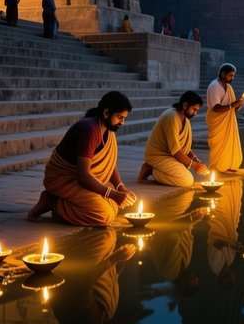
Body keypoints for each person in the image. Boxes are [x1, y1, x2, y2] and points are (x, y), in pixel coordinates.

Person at [27, 91, 137, 225]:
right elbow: (83, 175)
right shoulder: (89, 129)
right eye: (120, 117)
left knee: (113, 206)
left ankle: (64, 203)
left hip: (85, 179)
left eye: (124, 118)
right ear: (106, 113)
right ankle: (53, 202)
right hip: (65, 180)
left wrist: (120, 188)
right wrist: (113, 194)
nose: (123, 122)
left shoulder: (108, 130)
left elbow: (109, 163)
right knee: (104, 215)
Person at [137, 91, 210, 187]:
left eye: (197, 111)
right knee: (186, 180)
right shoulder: (171, 116)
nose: (195, 113)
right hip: (158, 156)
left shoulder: (186, 121)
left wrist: (196, 160)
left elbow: (185, 148)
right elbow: (175, 151)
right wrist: (195, 165)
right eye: (194, 109)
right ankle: (151, 169)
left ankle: (156, 169)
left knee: (186, 170)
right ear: (185, 105)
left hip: (170, 156)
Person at [206, 63, 244, 172]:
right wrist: (232, 105)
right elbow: (216, 108)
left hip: (227, 122)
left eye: (233, 76)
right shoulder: (214, 86)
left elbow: (232, 111)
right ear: (223, 74)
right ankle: (217, 167)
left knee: (228, 145)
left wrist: (239, 104)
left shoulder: (229, 88)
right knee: (218, 146)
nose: (232, 78)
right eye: (230, 75)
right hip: (216, 121)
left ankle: (228, 165)